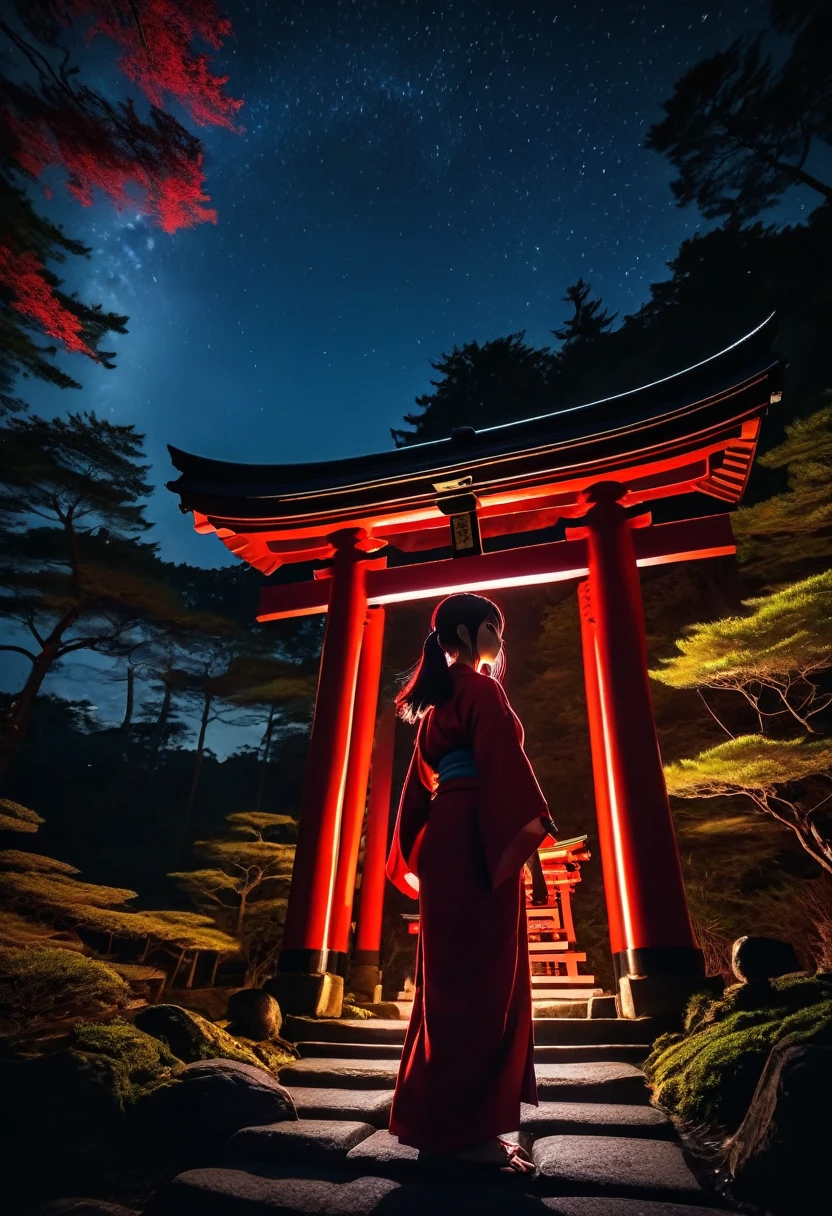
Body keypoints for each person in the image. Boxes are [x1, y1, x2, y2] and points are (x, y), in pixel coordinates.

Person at [386, 592, 557, 1172]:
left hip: (444, 834)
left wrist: (412, 855)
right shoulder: (482, 689)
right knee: (484, 981)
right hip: (480, 833)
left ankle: (443, 1126)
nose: (499, 638)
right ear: (465, 631)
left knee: (445, 985)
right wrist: (524, 843)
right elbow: (504, 768)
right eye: (492, 627)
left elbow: (416, 790)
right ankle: (476, 1137)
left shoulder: (435, 703)